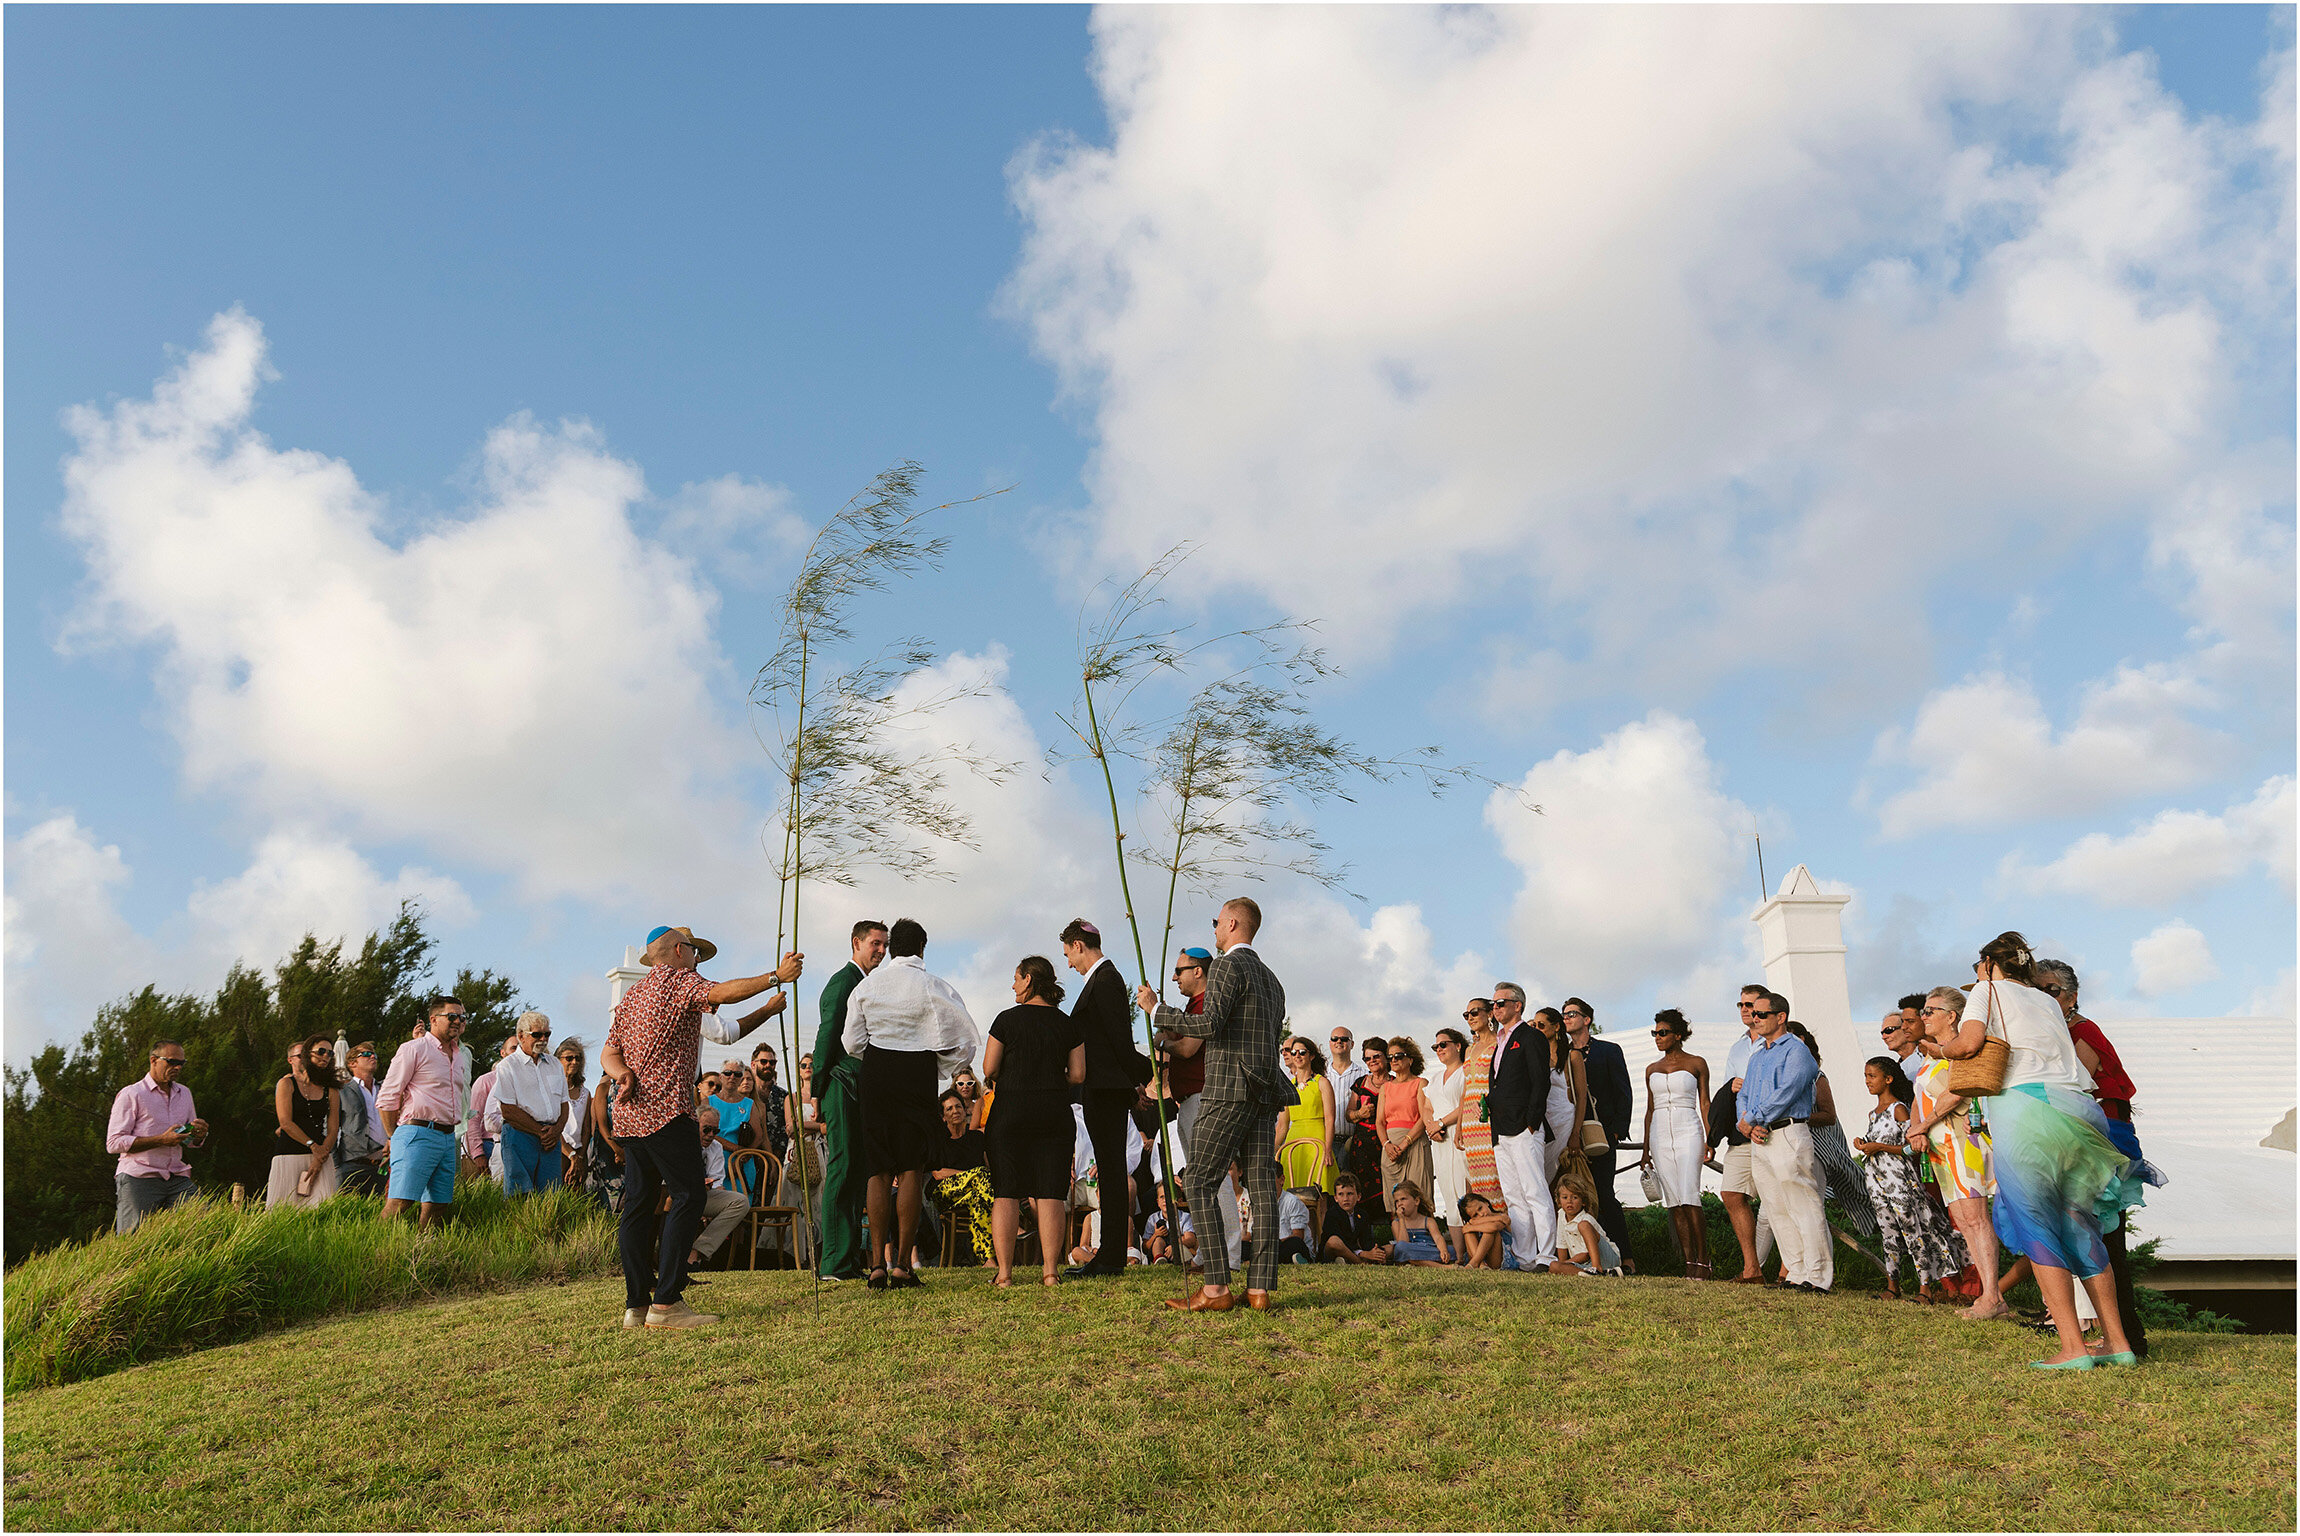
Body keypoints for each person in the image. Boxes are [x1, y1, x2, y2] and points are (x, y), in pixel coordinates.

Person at [1946, 933, 2149, 1369]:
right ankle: (2117, 1343)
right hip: (2076, 1111)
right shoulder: (2044, 1001)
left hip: (2026, 1112)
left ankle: (2074, 1348)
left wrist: (1942, 1048)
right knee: (2080, 1226)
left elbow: (1967, 1044)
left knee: (2038, 1228)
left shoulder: (1988, 988)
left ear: (1987, 964)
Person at [600, 924, 802, 1329]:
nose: (697, 960)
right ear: (678, 950)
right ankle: (667, 1303)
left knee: (639, 1206)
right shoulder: (677, 980)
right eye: (694, 951)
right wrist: (775, 976)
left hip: (631, 1116)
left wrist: (622, 1073)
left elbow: (609, 1052)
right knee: (689, 1195)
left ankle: (637, 1304)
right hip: (666, 1112)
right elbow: (721, 992)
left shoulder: (633, 995)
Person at [1141, 895, 1291, 1313]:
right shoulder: (1271, 978)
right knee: (1261, 1187)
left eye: (1216, 922)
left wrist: (1159, 1011)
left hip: (1228, 1088)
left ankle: (1216, 1288)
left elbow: (1209, 1024)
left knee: (1201, 1182)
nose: (1214, 929)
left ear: (1230, 923)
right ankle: (1259, 1289)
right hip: (1266, 1090)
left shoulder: (1226, 965)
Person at [844, 918, 976, 1290]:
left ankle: (875, 1265)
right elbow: (966, 1038)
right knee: (912, 1168)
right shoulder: (935, 986)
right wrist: (940, 1066)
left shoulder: (869, 986)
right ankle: (903, 1263)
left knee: (879, 1168)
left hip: (878, 1070)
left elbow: (851, 1042)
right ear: (922, 948)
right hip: (918, 1071)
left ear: (892, 948)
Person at [2034, 957, 2150, 1359]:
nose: (2044, 998)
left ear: (2072, 996)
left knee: (2106, 1240)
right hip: (2079, 1142)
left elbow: (2072, 1087)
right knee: (2093, 1238)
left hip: (2100, 1144)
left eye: (2052, 990)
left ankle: (2129, 1337)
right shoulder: (2055, 1035)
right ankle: (2120, 1336)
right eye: (2037, 991)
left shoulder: (2083, 1031)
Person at [1911, 985, 2008, 1320]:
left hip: (1962, 1140)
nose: (1922, 1016)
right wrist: (1917, 1127)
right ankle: (1989, 1295)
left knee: (1976, 1218)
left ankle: (1991, 1296)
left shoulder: (1961, 1050)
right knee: (1965, 1221)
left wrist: (1924, 1124)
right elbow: (1919, 1096)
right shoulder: (1931, 1054)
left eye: (1929, 1010)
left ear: (1951, 1016)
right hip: (1941, 1144)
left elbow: (1957, 1091)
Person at [1060, 919, 1143, 1280]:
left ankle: (1111, 1257)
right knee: (1108, 1175)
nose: (1068, 963)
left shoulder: (1106, 980)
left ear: (1079, 945)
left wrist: (1145, 1078)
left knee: (1110, 1175)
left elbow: (1119, 1043)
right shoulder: (1100, 980)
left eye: (1068, 954)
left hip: (1108, 1091)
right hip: (1102, 1089)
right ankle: (1109, 1255)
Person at [1736, 991, 1831, 1293]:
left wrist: (1754, 1119)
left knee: (1803, 1205)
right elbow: (1744, 1095)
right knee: (1776, 1207)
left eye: (1761, 1014)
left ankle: (1818, 1277)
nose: (1755, 1019)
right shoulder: (1758, 1056)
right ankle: (1797, 1272)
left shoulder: (1796, 1051)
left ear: (1780, 1017)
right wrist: (1748, 1124)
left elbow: (1788, 1091)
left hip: (1789, 1132)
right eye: (1753, 1014)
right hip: (1761, 1137)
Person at [1853, 1056, 1965, 1303]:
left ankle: (1924, 1288)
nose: (1867, 1081)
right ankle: (1893, 1285)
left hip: (1901, 1180)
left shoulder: (1899, 1109)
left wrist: (1879, 1147)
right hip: (1878, 1179)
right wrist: (1865, 1144)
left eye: (1872, 1076)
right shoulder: (1873, 1114)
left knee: (1913, 1230)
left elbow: (1910, 1147)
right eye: (1866, 1076)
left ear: (1888, 1079)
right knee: (1888, 1232)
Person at [814, 919, 888, 1283]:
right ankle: (832, 1262)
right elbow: (827, 1035)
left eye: (884, 944)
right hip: (840, 1082)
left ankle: (848, 1257)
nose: (881, 950)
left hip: (861, 1085)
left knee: (858, 1171)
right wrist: (816, 1088)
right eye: (875, 943)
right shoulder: (843, 982)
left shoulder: (866, 983)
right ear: (856, 942)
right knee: (842, 1169)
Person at [1162, 946, 1240, 1276]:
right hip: (1190, 1100)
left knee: (1214, 1178)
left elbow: (1188, 1047)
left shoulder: (1206, 1002)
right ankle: (1210, 1253)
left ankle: (1229, 1256)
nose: (1175, 977)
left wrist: (1162, 1040)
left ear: (1198, 971)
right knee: (1199, 1179)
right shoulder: (1192, 1006)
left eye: (1180, 970)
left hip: (1203, 1097)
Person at [1785, 1020, 1881, 1254]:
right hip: (1791, 1146)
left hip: (1819, 1149)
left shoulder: (1817, 1076)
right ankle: (1793, 1269)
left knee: (1812, 1209)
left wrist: (1795, 1116)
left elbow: (1829, 1116)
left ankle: (1819, 1270)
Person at [379, 996, 474, 1229]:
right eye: (451, 1016)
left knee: (438, 1204)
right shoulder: (413, 1049)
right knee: (401, 1201)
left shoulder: (460, 1056)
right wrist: (393, 1136)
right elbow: (387, 1097)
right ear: (433, 1019)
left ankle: (425, 1254)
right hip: (417, 1131)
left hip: (447, 1136)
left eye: (462, 1017)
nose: (458, 1021)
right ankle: (375, 1254)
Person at [1485, 983, 1556, 1271]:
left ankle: (1546, 1255)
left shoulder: (1530, 1037)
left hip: (1524, 1127)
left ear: (1518, 1005)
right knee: (1514, 1196)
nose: (1496, 1008)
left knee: (1535, 1191)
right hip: (1500, 1128)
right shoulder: (1499, 1040)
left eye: (1502, 1002)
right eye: (1494, 1003)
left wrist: (1532, 1122)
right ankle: (1525, 1258)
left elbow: (1541, 1081)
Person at [107, 1040, 206, 1234]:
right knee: (131, 1241)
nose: (177, 1067)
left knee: (204, 1223)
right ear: (153, 1060)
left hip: (176, 1176)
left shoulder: (184, 1093)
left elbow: (189, 1140)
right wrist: (161, 1140)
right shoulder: (132, 1094)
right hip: (138, 1176)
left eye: (181, 1063)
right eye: (171, 1062)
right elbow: (113, 1143)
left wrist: (198, 1135)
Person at [1640, 1009, 1711, 1278]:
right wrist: (1645, 1149)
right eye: (1654, 1033)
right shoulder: (1651, 1069)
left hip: (1688, 1128)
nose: (1657, 1037)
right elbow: (1649, 1110)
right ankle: (1689, 1262)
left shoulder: (1697, 1063)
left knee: (1690, 1195)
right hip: (1659, 1132)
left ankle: (1704, 1260)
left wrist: (1709, 1136)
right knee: (1674, 1201)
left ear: (1678, 1035)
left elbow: (1705, 1103)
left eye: (1662, 1033)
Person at [1562, 998, 1634, 1264]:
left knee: (1604, 1193)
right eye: (1564, 1014)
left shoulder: (1608, 1050)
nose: (1566, 1018)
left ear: (1587, 1019)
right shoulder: (1561, 1055)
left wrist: (1616, 1131)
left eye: (1572, 1014)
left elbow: (1623, 1092)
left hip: (1601, 1134)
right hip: (1570, 1134)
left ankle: (1624, 1256)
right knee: (1574, 1195)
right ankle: (1587, 1257)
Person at [1715, 983, 1775, 1282]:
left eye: (1750, 1004)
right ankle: (1752, 1268)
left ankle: (1791, 1270)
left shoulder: (1778, 1042)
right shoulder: (1737, 1047)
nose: (1745, 1010)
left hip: (1770, 1128)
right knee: (1730, 1194)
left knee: (1776, 1197)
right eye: (1741, 1005)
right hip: (1741, 1131)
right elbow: (1728, 1089)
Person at [494, 1012, 569, 1196]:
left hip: (551, 1137)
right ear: (521, 1036)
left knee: (550, 1195)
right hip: (520, 1135)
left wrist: (556, 1130)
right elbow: (508, 1110)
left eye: (547, 1034)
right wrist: (540, 1131)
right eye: (537, 1034)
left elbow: (564, 1104)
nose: (543, 1039)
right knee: (519, 1193)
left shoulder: (555, 1064)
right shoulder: (508, 1066)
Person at [267, 1037, 341, 1209]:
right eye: (321, 1051)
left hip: (321, 1158)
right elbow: (285, 1122)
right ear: (309, 1054)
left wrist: (321, 1155)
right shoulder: (287, 1083)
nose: (326, 1056)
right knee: (281, 1212)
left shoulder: (331, 1090)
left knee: (322, 1213)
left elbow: (333, 1128)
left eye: (330, 1053)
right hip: (289, 1155)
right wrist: (314, 1147)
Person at [928, 1089, 991, 1266]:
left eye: (958, 1107)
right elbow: (937, 1173)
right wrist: (969, 1174)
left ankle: (988, 1259)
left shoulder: (977, 1138)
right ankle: (1013, 1227)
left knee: (979, 1200)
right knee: (981, 1175)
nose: (955, 1111)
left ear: (965, 1110)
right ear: (943, 1116)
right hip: (945, 1193)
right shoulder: (939, 1140)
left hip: (974, 1192)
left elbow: (988, 1166)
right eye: (949, 1109)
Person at [686, 1107, 751, 1272]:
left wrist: (708, 1185)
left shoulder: (715, 1147)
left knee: (740, 1202)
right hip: (680, 1194)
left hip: (703, 1194)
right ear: (696, 1125)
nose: (710, 1135)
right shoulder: (683, 1143)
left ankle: (697, 1252)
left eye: (715, 1131)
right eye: (706, 1129)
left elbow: (717, 1180)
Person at [1377, 1037, 1434, 1214]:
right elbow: (1379, 1121)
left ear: (1410, 1059)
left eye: (1398, 1056)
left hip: (1414, 1142)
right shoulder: (1385, 1088)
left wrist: (1405, 1143)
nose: (1393, 1060)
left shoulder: (1420, 1083)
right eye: (1390, 1057)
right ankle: (1400, 1239)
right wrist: (1387, 1145)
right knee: (1395, 1199)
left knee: (1420, 1196)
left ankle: (1426, 1238)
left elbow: (1423, 1118)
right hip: (1391, 1146)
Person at [1275, 1035, 1335, 1197]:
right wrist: (1273, 1151)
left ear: (1311, 1055)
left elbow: (1330, 1118)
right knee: (1291, 1193)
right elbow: (1282, 1125)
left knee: (1319, 1193)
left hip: (1318, 1140)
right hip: (1294, 1143)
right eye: (1294, 1053)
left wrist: (1328, 1149)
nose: (1298, 1056)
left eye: (1302, 1052)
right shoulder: (1287, 1087)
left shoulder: (1322, 1082)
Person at [1457, 1000, 1503, 1211]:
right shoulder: (1469, 1049)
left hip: (1489, 1115)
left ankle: (1509, 1233)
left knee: (1496, 1175)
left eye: (1474, 1012)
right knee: (1477, 1179)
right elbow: (1466, 1087)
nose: (1470, 1018)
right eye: (1466, 1015)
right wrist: (1459, 1126)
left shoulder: (1500, 1044)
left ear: (1490, 1014)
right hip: (1469, 1119)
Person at [1424, 1028, 1471, 1223]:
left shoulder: (1466, 1072)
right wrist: (1431, 1127)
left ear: (1458, 1045)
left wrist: (1441, 1123)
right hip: (1439, 1139)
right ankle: (1459, 1254)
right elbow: (1427, 1107)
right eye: (1436, 1046)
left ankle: (1476, 1248)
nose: (1439, 1049)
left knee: (1465, 1190)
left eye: (1443, 1044)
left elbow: (1466, 1103)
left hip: (1460, 1133)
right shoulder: (1435, 1078)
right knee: (1447, 1192)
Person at [335, 1040, 388, 1198]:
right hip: (351, 1165)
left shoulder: (385, 1089)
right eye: (365, 1054)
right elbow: (330, 1127)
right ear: (352, 1063)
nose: (372, 1056)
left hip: (381, 1165)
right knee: (346, 1215)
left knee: (376, 1214)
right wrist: (336, 1165)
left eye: (374, 1054)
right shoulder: (342, 1091)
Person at [1342, 1040, 1390, 1197]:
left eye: (1376, 1056)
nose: (1372, 1061)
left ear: (1386, 1056)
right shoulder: (1361, 1083)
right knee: (1362, 1184)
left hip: (1387, 1141)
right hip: (1362, 1143)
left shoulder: (1395, 1083)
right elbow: (1348, 1114)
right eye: (1367, 1059)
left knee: (1387, 1181)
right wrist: (1360, 1114)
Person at [706, 1066, 760, 1197]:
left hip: (743, 1163)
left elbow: (759, 1136)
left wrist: (743, 1157)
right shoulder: (709, 1101)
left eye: (737, 1074)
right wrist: (736, 1148)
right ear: (721, 1076)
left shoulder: (750, 1104)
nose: (732, 1077)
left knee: (742, 1206)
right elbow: (704, 1133)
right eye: (728, 1073)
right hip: (714, 1160)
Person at [1549, 1179, 1621, 1275]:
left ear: (1583, 1202)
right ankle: (1595, 1275)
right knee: (1554, 1266)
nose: (1569, 1201)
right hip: (1585, 1265)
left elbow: (1585, 1255)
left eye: (1574, 1197)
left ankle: (1597, 1269)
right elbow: (1561, 1244)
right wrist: (1561, 1266)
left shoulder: (1586, 1219)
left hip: (1605, 1258)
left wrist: (1566, 1263)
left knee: (1583, 1225)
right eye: (1565, 1197)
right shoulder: (1561, 1214)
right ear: (1559, 1201)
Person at [1324, 1025, 1366, 1177]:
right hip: (1328, 1142)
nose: (1339, 1041)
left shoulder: (1363, 1075)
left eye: (1344, 1039)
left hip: (1354, 1141)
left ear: (1352, 1044)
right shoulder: (1321, 1075)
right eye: (1335, 1039)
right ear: (1330, 1043)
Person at [1385, 1180, 1453, 1266]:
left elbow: (1438, 1238)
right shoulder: (1396, 1223)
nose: (1399, 1204)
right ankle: (1440, 1266)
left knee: (1451, 1250)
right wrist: (1401, 1220)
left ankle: (1417, 1262)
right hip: (1409, 1250)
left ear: (1416, 1201)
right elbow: (1403, 1242)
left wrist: (1443, 1250)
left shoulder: (1428, 1221)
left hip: (1426, 1250)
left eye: (1403, 1199)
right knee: (1400, 1248)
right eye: (1397, 1201)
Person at [1318, 1174, 1383, 1262]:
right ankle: (1360, 1263)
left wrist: (1374, 1252)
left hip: (1354, 1251)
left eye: (1350, 1194)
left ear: (1358, 1196)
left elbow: (1366, 1239)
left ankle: (1349, 1260)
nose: (1345, 1198)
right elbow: (1338, 1240)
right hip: (1332, 1252)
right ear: (1336, 1198)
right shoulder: (1332, 1214)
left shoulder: (1362, 1214)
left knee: (1390, 1248)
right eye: (1341, 1194)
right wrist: (1361, 1253)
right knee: (1334, 1241)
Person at [557, 1038, 589, 1190]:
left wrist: (579, 1157)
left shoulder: (585, 1093)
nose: (574, 1062)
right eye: (569, 1058)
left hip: (580, 1152)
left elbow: (586, 1129)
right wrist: (570, 1155)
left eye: (578, 1058)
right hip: (558, 1150)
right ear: (558, 1060)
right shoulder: (552, 1090)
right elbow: (553, 1124)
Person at [1143, 1183, 1198, 1267]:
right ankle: (1160, 1260)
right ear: (1158, 1202)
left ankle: (1184, 1263)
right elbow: (1145, 1247)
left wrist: (1174, 1246)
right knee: (1158, 1240)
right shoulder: (1153, 1219)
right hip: (1159, 1251)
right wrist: (1155, 1235)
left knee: (1183, 1240)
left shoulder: (1184, 1217)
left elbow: (1191, 1239)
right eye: (1162, 1197)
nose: (1165, 1200)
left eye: (1169, 1196)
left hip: (1177, 1250)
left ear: (1179, 1201)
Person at [1456, 1192, 1510, 1269]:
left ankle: (1474, 1263)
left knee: (1489, 1231)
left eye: (1480, 1208)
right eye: (1475, 1215)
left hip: (1497, 1261)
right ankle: (1480, 1264)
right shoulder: (1500, 1218)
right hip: (1481, 1259)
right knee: (1469, 1234)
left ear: (1486, 1203)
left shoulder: (1502, 1216)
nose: (1481, 1214)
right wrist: (1471, 1226)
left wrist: (1472, 1226)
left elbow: (1494, 1227)